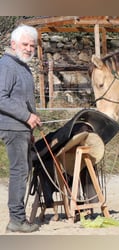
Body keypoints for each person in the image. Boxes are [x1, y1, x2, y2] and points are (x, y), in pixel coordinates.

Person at [0, 24, 42, 233]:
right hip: (13, 127)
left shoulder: (22, 66)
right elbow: (0, 98)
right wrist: (27, 116)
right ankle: (16, 220)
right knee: (19, 172)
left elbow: (24, 100)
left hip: (22, 128)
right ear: (13, 44)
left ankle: (18, 217)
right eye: (25, 44)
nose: (28, 48)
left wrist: (31, 126)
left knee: (23, 171)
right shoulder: (7, 65)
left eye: (32, 45)